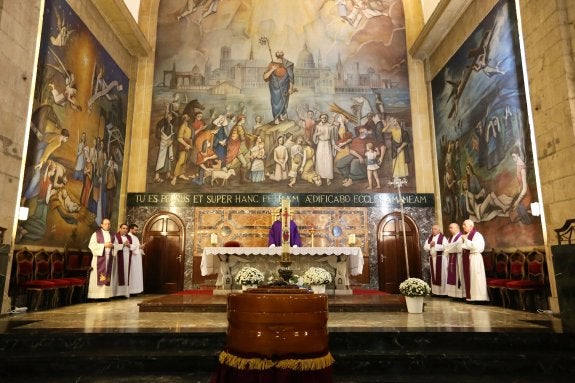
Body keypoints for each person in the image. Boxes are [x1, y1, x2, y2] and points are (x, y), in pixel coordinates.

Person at [87, 218, 118, 300]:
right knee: (97, 276)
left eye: (109, 224)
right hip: (99, 258)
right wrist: (104, 245)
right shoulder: (96, 234)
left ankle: (106, 296)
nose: (107, 225)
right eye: (105, 224)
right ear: (101, 225)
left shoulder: (113, 235)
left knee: (108, 274)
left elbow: (117, 245)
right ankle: (95, 296)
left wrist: (113, 246)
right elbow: (91, 245)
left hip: (109, 258)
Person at [460, 219, 489, 302]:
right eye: (463, 225)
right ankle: (471, 297)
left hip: (475, 258)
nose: (463, 226)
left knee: (476, 278)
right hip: (468, 258)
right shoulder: (466, 235)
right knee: (471, 278)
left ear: (471, 226)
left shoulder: (477, 235)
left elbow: (476, 247)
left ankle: (479, 298)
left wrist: (465, 240)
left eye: (464, 225)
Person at [263, 50, 295, 125]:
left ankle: (281, 115)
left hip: (285, 85)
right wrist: (272, 69)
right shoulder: (272, 64)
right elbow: (265, 77)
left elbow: (291, 77)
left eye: (281, 52)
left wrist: (291, 88)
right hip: (274, 86)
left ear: (283, 54)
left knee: (284, 100)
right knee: (275, 102)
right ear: (276, 54)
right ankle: (276, 117)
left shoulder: (287, 64)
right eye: (278, 52)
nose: (279, 53)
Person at [442, 222, 465, 299]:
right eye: (449, 228)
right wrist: (450, 247)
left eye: (451, 227)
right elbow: (446, 247)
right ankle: (454, 295)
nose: (449, 229)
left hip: (458, 258)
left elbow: (458, 247)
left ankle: (460, 295)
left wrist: (449, 248)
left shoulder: (461, 237)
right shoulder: (450, 238)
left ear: (456, 228)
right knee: (452, 276)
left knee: (458, 275)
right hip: (451, 258)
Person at [423, 224, 447, 296]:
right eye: (432, 229)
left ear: (439, 230)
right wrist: (430, 245)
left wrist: (435, 245)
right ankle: (435, 292)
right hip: (432, 259)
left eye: (435, 229)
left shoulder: (443, 238)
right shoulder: (429, 238)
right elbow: (425, 247)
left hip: (441, 258)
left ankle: (443, 293)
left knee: (442, 275)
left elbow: (445, 247)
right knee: (434, 275)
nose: (433, 230)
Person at [113, 223, 132, 298]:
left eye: (126, 229)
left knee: (126, 274)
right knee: (118, 275)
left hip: (127, 258)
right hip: (118, 258)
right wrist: (123, 245)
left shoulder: (129, 237)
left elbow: (133, 246)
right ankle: (116, 293)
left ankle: (124, 293)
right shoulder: (115, 236)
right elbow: (114, 246)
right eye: (123, 228)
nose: (125, 230)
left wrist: (129, 245)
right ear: (120, 229)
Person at [128, 224, 145, 295]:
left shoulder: (135, 237)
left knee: (137, 274)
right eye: (135, 229)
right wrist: (139, 247)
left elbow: (137, 246)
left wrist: (141, 247)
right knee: (132, 274)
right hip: (132, 258)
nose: (136, 231)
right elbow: (130, 247)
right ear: (131, 229)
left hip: (137, 259)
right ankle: (130, 291)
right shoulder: (128, 237)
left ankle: (136, 290)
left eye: (136, 229)